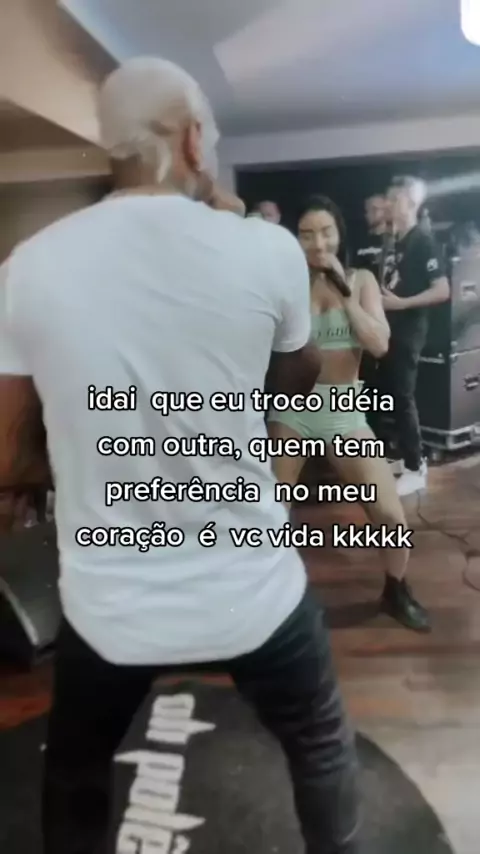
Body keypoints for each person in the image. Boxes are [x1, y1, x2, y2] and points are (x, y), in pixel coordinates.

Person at [0, 59, 359, 854]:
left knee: (75, 775)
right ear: (194, 140)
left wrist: (70, 456)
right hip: (253, 594)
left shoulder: (28, 267)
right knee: (322, 745)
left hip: (111, 608)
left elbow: (10, 453)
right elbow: (294, 381)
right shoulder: (265, 250)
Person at [268, 195, 430, 633]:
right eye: (306, 234)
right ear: (295, 240)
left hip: (344, 413)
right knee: (272, 512)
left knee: (390, 516)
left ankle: (396, 590)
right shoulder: (286, 284)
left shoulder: (361, 281)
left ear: (339, 234)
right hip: (293, 410)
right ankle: (272, 599)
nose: (318, 244)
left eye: (325, 232)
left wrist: (344, 294)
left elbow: (378, 344)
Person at [378, 176, 450, 497]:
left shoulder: (424, 240)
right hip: (389, 329)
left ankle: (415, 466)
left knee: (403, 396)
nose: (388, 205)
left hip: (409, 330)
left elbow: (442, 289)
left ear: (410, 202)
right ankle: (405, 456)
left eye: (394, 200)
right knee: (391, 395)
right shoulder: (397, 240)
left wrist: (401, 304)